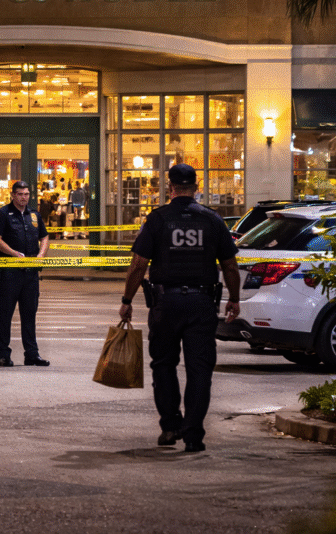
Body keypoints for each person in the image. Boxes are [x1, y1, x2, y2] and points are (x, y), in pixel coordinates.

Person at [117, 163, 240, 453]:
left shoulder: (158, 219)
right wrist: (233, 299)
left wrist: (126, 300)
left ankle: (171, 425)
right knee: (200, 369)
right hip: (201, 303)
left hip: (165, 304)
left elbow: (138, 264)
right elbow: (230, 265)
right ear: (195, 187)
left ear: (170, 187)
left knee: (163, 365)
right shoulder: (212, 219)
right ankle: (194, 434)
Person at [0, 180, 50, 367]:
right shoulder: (3, 214)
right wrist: (14, 254)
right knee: (5, 314)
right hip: (9, 272)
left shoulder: (34, 215)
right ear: (13, 195)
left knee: (29, 314)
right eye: (20, 194)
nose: (24, 197)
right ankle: (4, 354)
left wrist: (41, 255)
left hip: (30, 273)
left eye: (26, 194)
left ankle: (32, 354)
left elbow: (45, 236)